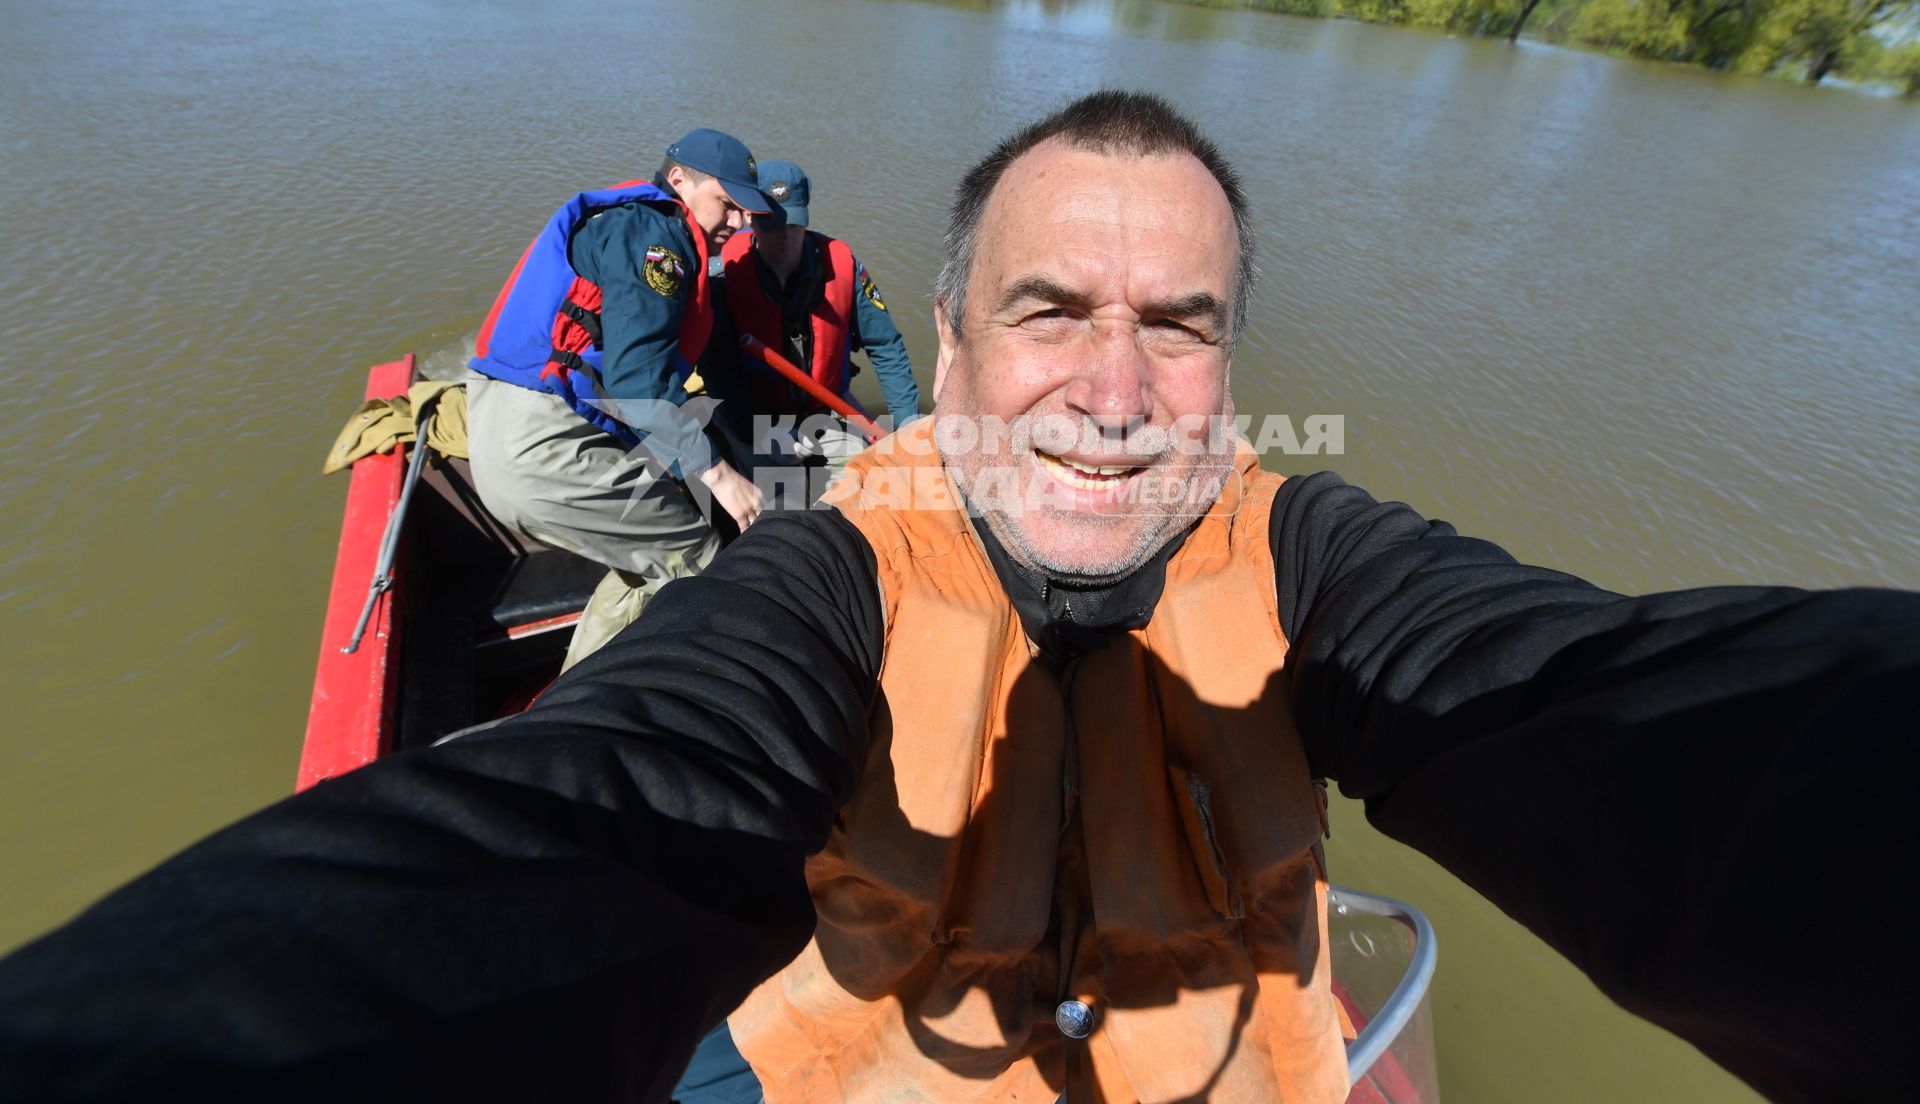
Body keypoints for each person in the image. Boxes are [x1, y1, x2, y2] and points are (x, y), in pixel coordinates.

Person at [0, 92, 1915, 1104]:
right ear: (963, 340)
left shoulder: (1318, 555)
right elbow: (610, 800)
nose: (1108, 384)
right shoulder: (835, 567)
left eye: (1178, 326)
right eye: (1048, 311)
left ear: (1235, 374)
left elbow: (1618, 710)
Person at [464, 128, 773, 668]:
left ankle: (571, 697)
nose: (738, 223)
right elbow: (637, 385)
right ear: (680, 180)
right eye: (727, 204)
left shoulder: (630, 224)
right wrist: (723, 479)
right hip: (543, 444)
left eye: (745, 211)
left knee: (646, 564)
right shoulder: (658, 242)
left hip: (502, 432)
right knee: (695, 556)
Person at [706, 160, 922, 482]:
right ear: (750, 217)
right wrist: (760, 434)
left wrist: (908, 427)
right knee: (776, 505)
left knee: (870, 484)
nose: (784, 238)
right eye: (771, 224)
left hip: (823, 409)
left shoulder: (842, 266)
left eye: (793, 224)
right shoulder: (725, 275)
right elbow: (718, 370)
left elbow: (885, 345)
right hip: (754, 415)